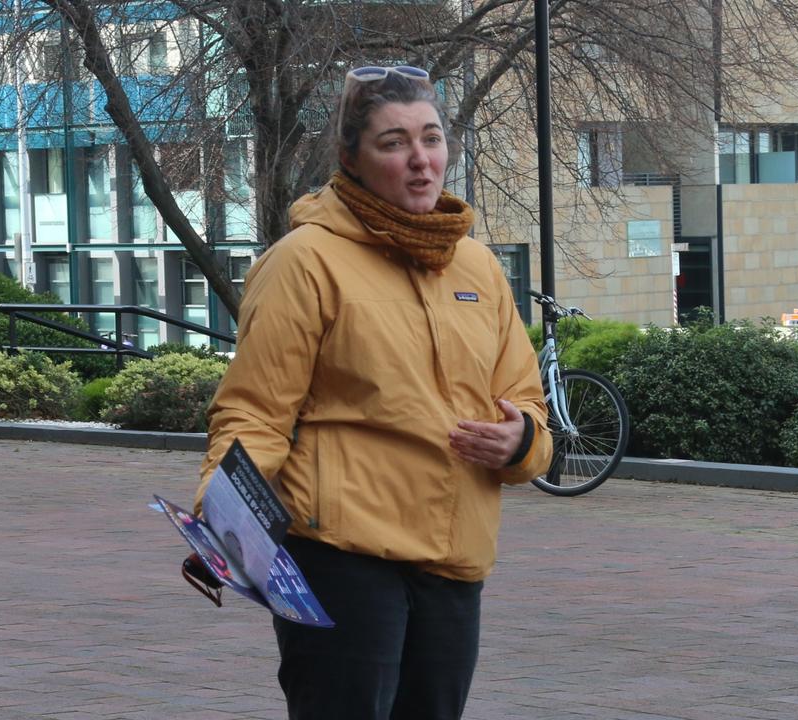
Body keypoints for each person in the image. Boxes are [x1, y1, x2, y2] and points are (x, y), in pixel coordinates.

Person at [194, 64, 552, 720]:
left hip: (452, 558)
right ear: (350, 160)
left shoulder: (476, 267)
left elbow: (526, 401)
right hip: (340, 555)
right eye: (393, 143)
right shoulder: (304, 262)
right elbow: (254, 410)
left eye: (432, 138)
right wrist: (222, 519)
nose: (421, 160)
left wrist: (521, 439)